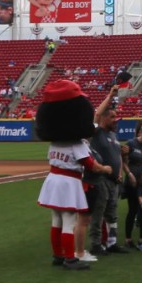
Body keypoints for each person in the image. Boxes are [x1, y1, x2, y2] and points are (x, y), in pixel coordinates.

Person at [35, 79, 111, 271]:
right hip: (69, 181)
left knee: (56, 220)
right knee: (69, 221)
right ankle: (70, 258)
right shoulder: (77, 144)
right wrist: (106, 169)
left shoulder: (54, 143)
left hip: (53, 179)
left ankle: (58, 255)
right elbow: (90, 165)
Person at [87, 88, 127, 256]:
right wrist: (110, 96)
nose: (115, 120)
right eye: (111, 117)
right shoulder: (96, 132)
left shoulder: (113, 135)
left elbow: (116, 154)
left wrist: (120, 171)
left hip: (114, 180)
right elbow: (96, 114)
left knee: (112, 213)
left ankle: (111, 243)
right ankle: (96, 244)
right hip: (100, 179)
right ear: (103, 118)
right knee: (99, 213)